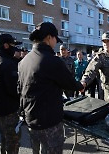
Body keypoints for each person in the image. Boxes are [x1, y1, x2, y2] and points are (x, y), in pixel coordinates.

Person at [17, 22, 84, 154]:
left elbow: (19, 89)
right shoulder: (52, 60)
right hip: (49, 123)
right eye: (55, 39)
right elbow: (70, 84)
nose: (56, 44)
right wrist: (81, 85)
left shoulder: (24, 61)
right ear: (49, 38)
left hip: (31, 119)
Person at [0, 34, 21, 154]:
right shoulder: (8, 64)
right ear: (5, 45)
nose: (14, 48)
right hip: (9, 111)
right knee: (13, 142)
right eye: (13, 45)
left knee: (4, 138)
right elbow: (15, 90)